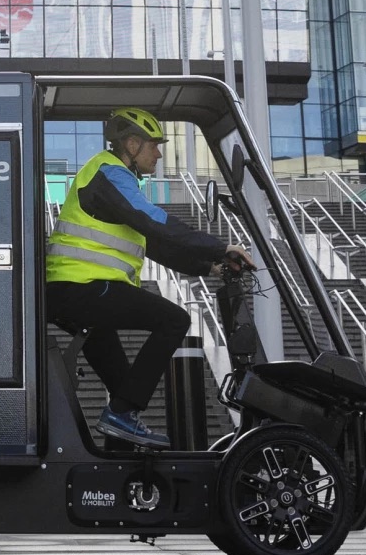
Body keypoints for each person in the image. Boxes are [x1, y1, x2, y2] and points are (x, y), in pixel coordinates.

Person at [45, 106, 251, 449]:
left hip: (79, 293)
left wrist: (208, 267)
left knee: (123, 390)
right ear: (131, 144)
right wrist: (220, 247)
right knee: (174, 319)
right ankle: (121, 417)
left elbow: (153, 243)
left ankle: (118, 460)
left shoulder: (114, 182)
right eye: (154, 145)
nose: (158, 153)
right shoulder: (109, 172)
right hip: (82, 289)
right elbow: (152, 220)